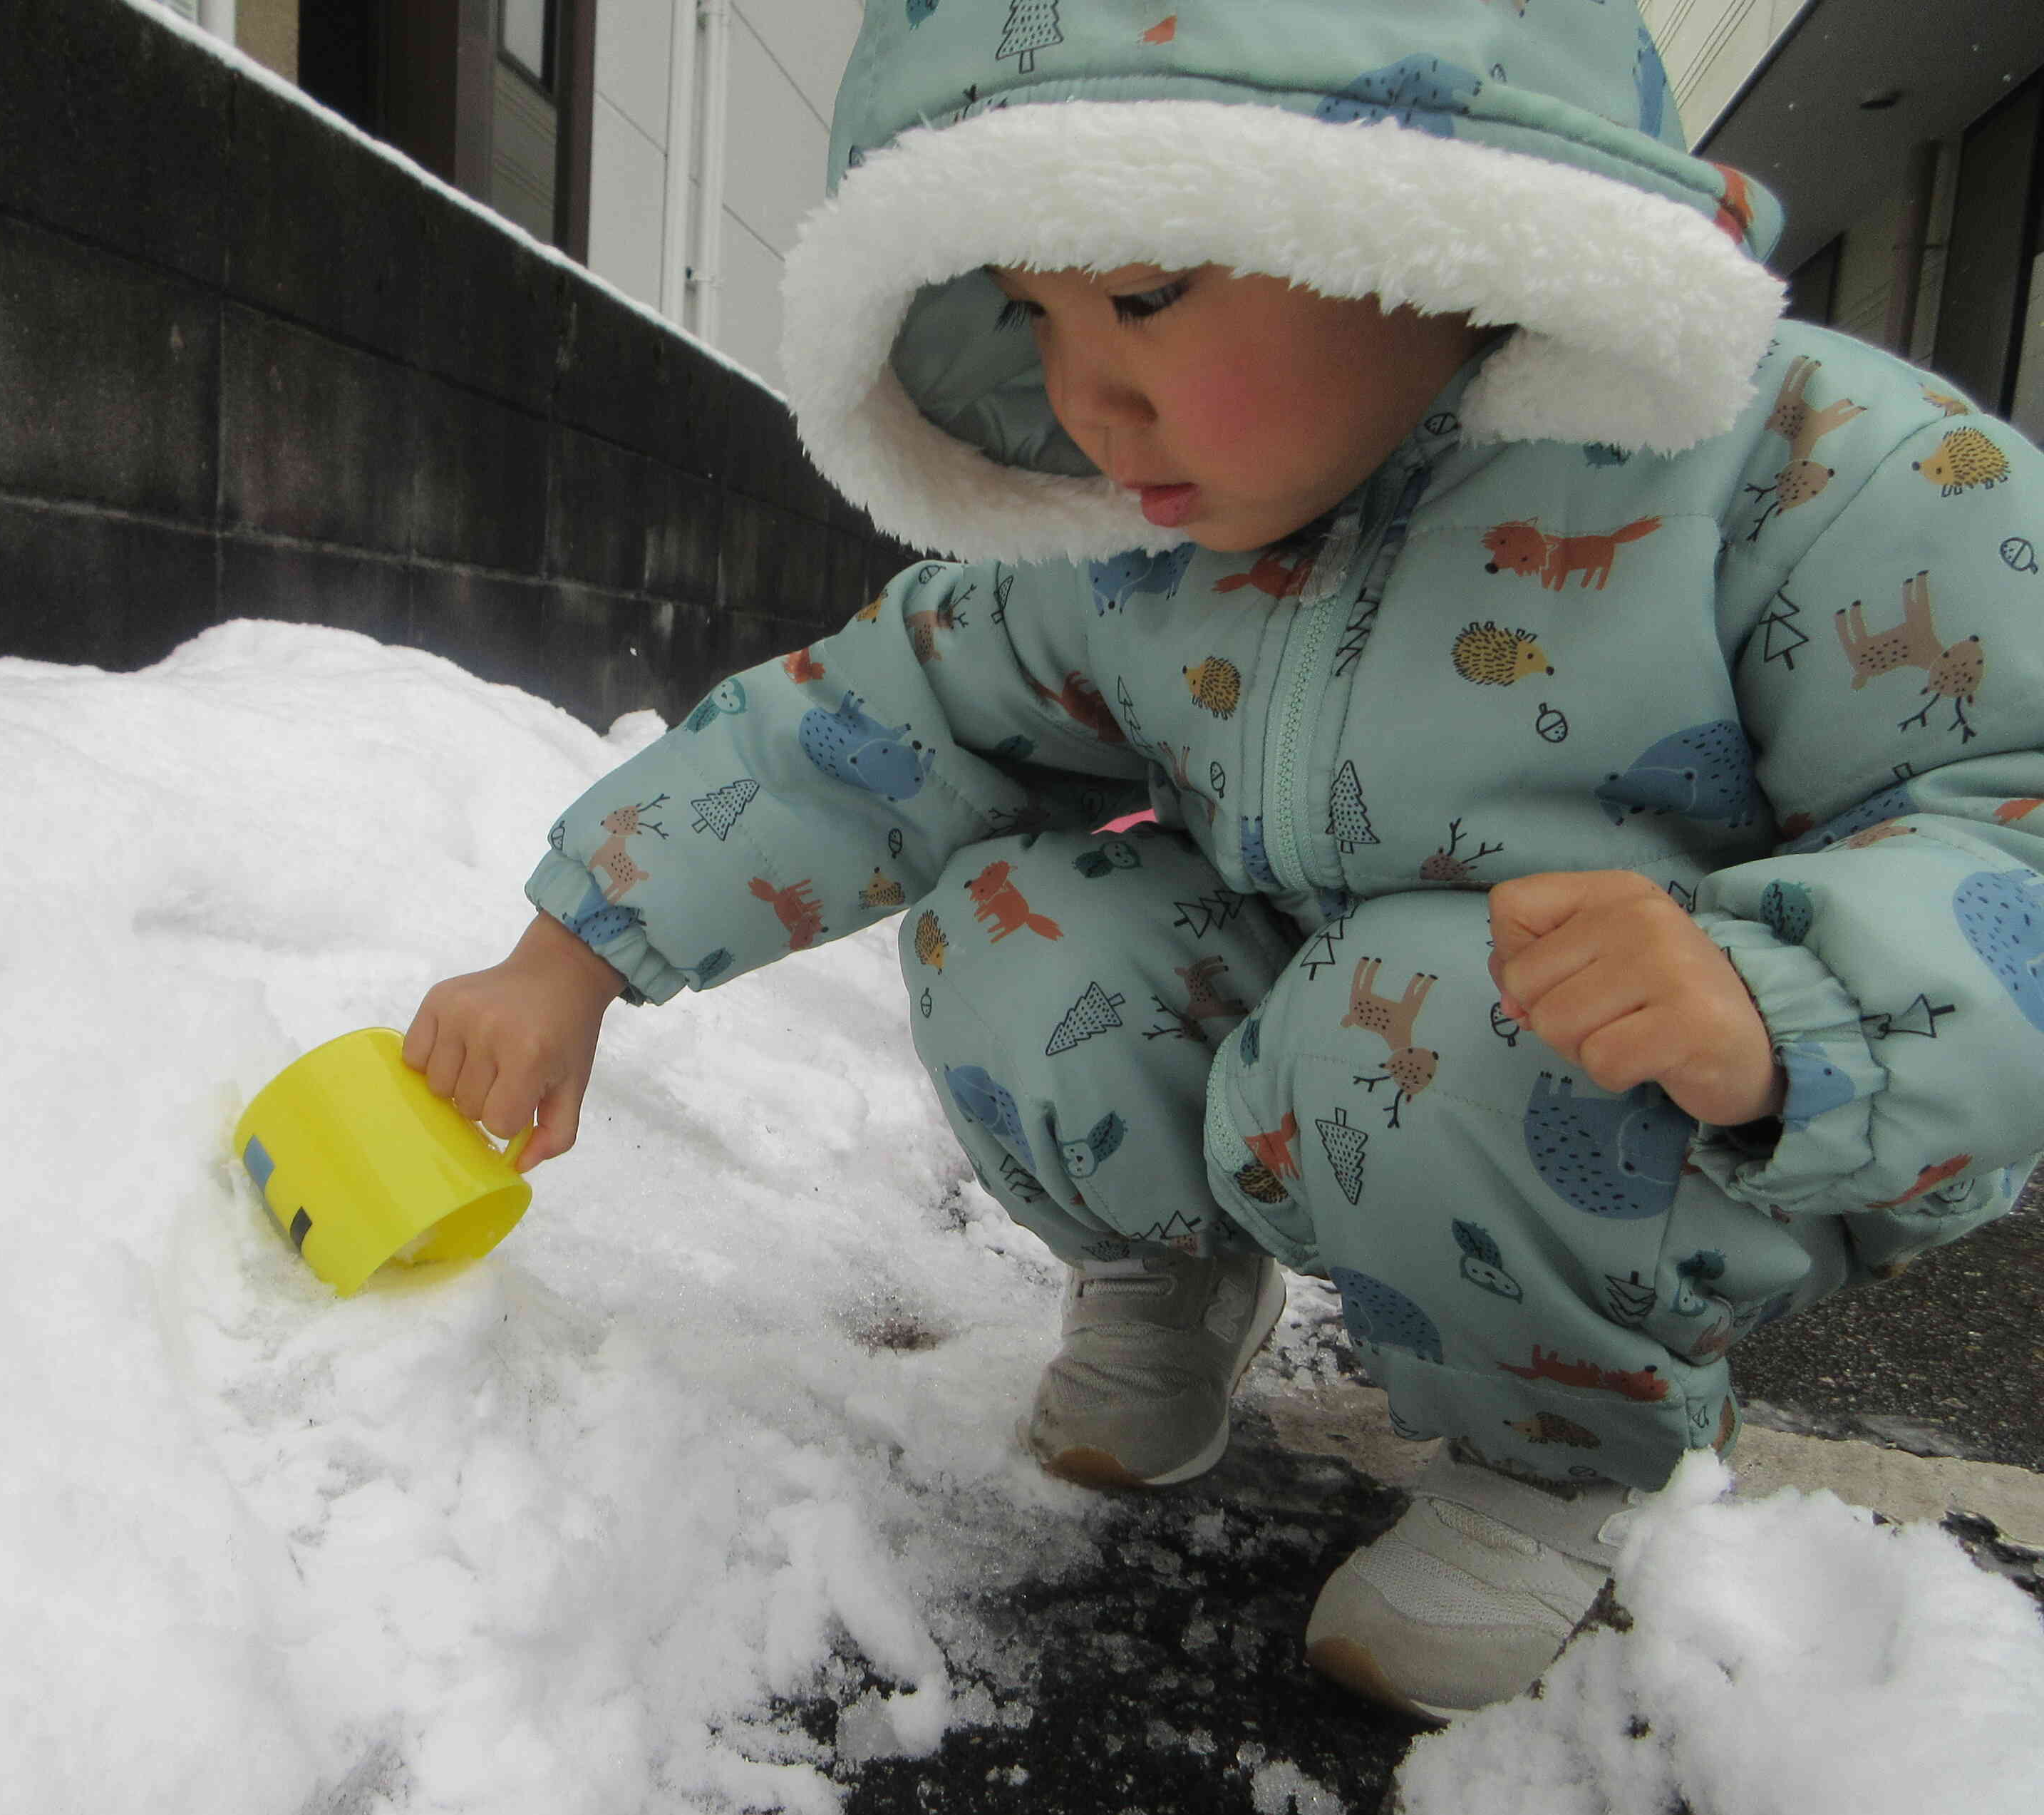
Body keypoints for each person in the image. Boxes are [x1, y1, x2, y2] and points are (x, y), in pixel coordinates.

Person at [404, 0, 2044, 1721]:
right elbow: (880, 716)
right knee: (1019, 918)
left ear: (1424, 222)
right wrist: (567, 955)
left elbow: (2015, 799)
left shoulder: (1790, 464)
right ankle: (1175, 1277)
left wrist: (1779, 998)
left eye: (1145, 295)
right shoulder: (1135, 543)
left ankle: (1557, 1452)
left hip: (1678, 1122)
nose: (1083, 396)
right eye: (1033, 312)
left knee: (1429, 1013)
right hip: (1335, 1051)